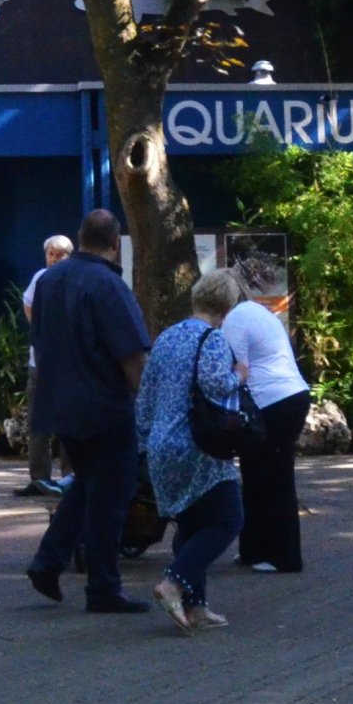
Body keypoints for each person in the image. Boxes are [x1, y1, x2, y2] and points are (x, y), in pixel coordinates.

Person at [23, 212, 152, 614]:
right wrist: (148, 407)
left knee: (87, 484)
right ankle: (103, 587)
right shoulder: (109, 284)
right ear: (115, 243)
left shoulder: (50, 282)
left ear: (80, 239)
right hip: (103, 406)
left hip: (60, 403)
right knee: (112, 494)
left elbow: (39, 340)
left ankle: (48, 561)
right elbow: (132, 354)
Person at [136, 268, 252, 629]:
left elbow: (144, 399)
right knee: (229, 517)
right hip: (196, 445)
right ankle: (173, 583)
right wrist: (240, 375)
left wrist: (145, 443)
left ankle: (196, 607)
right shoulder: (212, 339)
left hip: (160, 447)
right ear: (227, 307)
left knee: (191, 525)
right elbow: (216, 384)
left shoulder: (167, 338)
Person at [225, 254, 315, 572]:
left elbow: (238, 368)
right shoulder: (260, 312)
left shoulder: (234, 319)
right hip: (289, 395)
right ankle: (254, 549)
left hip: (273, 402)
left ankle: (284, 556)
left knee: (273, 477)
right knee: (256, 473)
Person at [17, 234, 75, 496]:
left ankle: (71, 476)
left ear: (68, 256)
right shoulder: (39, 278)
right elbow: (27, 305)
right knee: (37, 419)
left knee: (68, 419)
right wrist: (41, 332)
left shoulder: (74, 279)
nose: (54, 259)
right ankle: (38, 478)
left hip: (67, 362)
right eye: (51, 254)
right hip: (38, 362)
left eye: (59, 254)